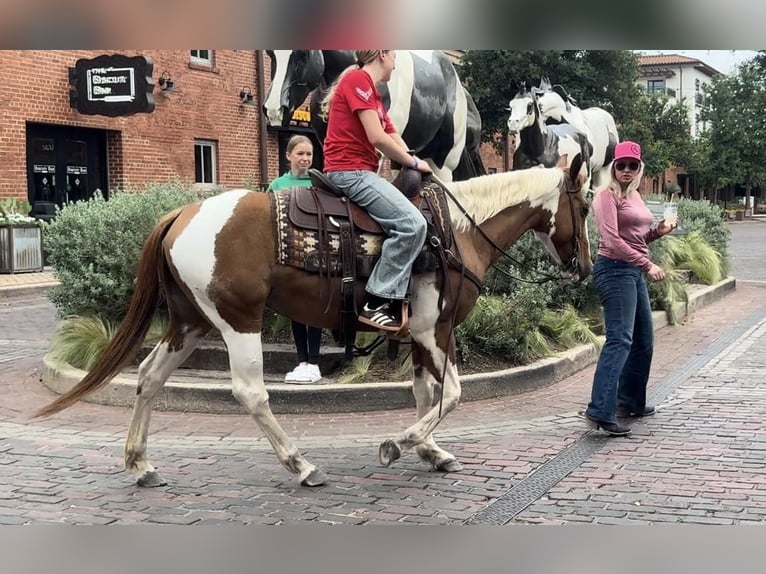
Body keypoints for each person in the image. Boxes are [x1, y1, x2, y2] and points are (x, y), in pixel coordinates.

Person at [321, 49, 432, 332]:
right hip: (350, 172)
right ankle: (377, 301)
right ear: (382, 54)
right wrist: (414, 162)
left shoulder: (372, 93)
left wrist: (416, 161)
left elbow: (393, 135)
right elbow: (377, 136)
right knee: (412, 225)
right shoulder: (357, 80)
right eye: (394, 55)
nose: (396, 62)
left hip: (359, 171)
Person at [584, 140, 679, 436]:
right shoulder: (606, 196)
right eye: (621, 165)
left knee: (643, 340)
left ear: (639, 169)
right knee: (620, 340)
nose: (626, 170)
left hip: (632, 271)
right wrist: (647, 265)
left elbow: (637, 239)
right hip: (613, 270)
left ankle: (630, 401)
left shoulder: (635, 196)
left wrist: (658, 233)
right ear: (613, 167)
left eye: (632, 165)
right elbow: (612, 241)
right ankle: (600, 411)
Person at [268, 135, 324, 384]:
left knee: (314, 309)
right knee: (295, 311)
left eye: (309, 154)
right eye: (300, 153)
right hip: (289, 256)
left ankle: (314, 361)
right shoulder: (278, 185)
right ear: (288, 156)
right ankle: (302, 361)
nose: (305, 158)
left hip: (315, 256)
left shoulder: (319, 182)